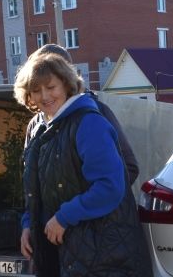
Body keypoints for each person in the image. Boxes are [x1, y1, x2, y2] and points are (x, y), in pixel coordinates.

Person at [14, 51, 154, 277]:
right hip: (72, 256)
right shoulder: (40, 127)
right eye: (36, 90)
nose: (44, 95)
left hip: (104, 252)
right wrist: (28, 223)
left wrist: (65, 216)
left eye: (50, 87)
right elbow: (34, 188)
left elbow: (110, 184)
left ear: (66, 84)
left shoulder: (88, 121)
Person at [25, 44, 140, 186]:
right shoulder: (36, 124)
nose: (45, 94)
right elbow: (31, 174)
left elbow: (129, 167)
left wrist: (88, 202)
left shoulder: (95, 113)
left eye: (50, 85)